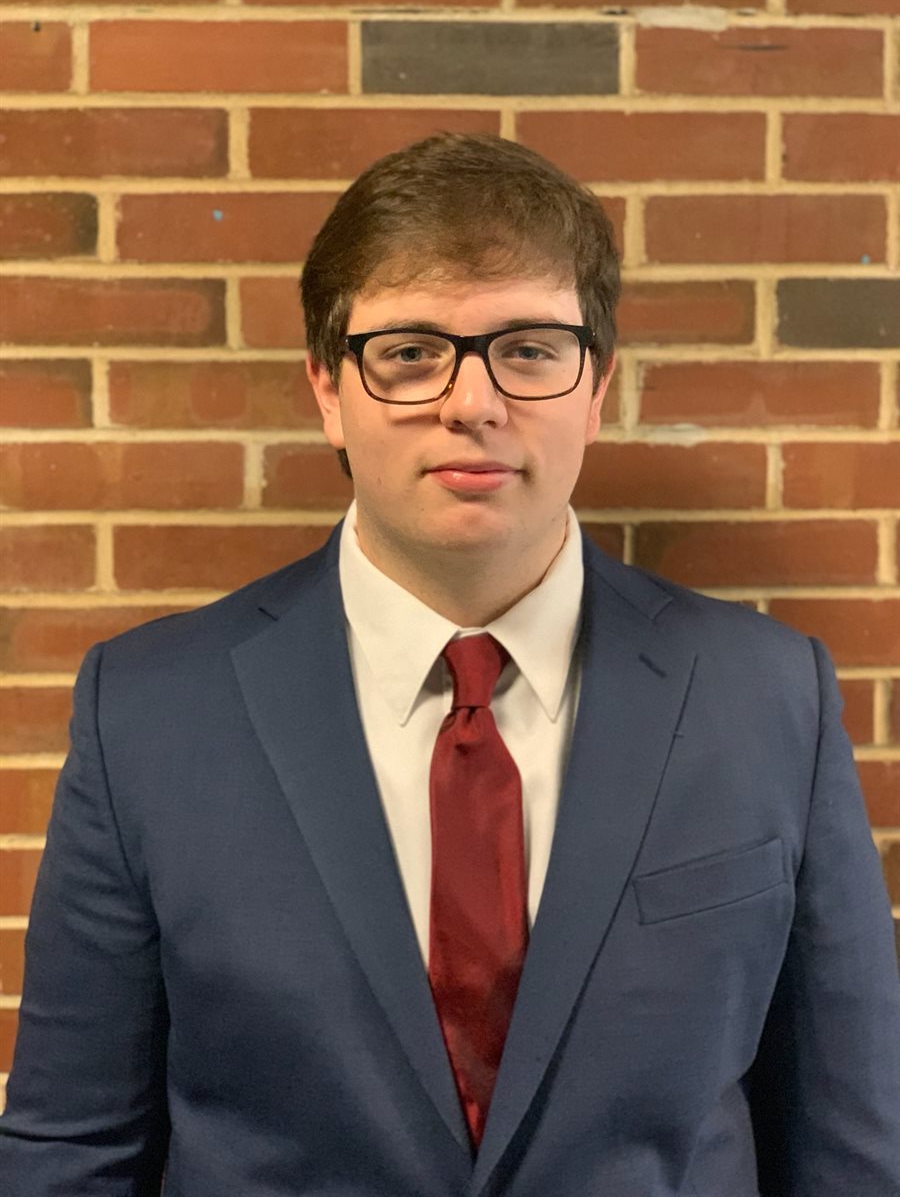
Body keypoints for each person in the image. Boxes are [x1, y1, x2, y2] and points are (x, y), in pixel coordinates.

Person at [1, 133, 898, 1196]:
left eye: (530, 350)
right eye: (412, 352)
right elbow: (72, 1150)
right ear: (328, 390)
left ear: (597, 388)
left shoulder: (767, 699)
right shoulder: (150, 713)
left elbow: (852, 1148)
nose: (472, 402)